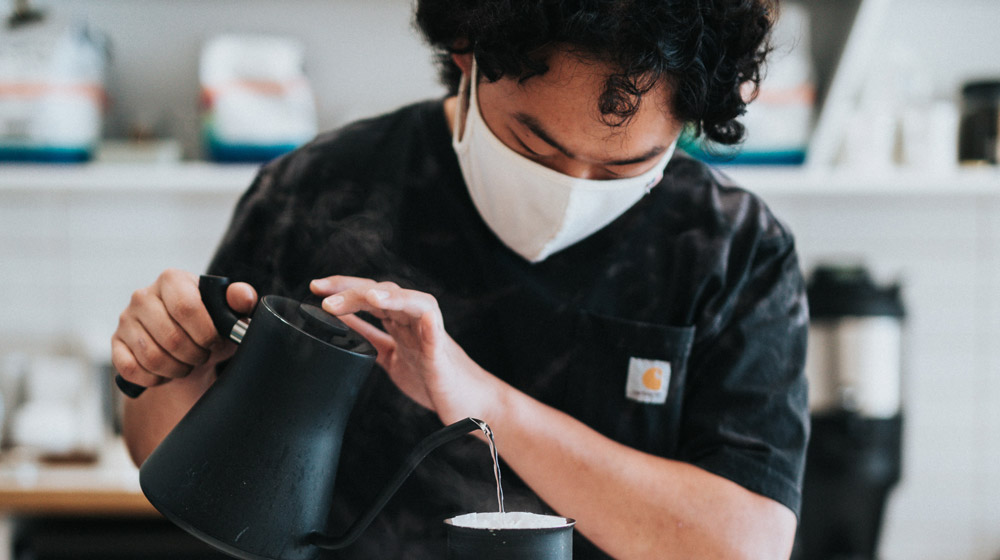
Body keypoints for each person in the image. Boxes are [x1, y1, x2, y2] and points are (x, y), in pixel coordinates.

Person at [112, 1, 809, 558]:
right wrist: (170, 362)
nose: (572, 187)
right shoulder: (317, 192)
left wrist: (480, 402)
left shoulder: (733, 251)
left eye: (623, 168)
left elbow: (742, 545)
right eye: (534, 143)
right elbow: (176, 457)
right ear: (467, 53)